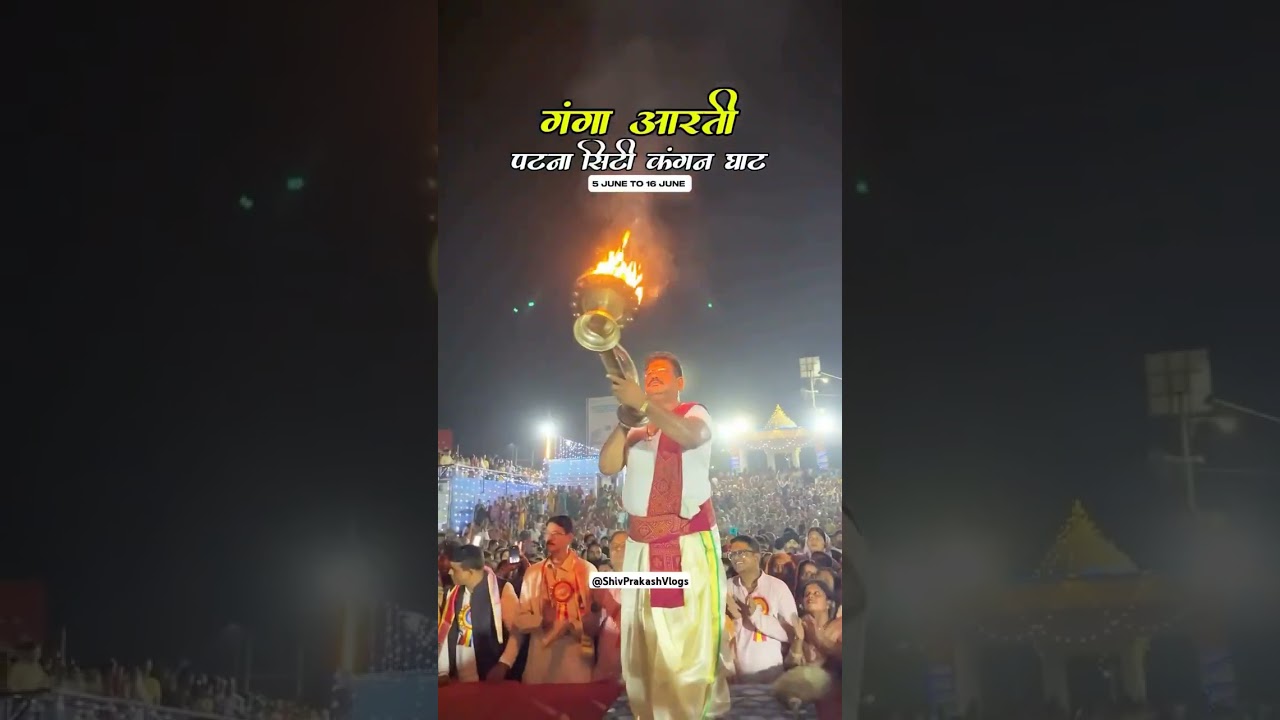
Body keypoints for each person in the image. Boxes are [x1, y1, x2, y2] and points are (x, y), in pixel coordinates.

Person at [600, 351, 731, 719]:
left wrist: (643, 403)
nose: (652, 376)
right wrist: (627, 418)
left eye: (661, 372)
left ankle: (689, 713)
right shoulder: (636, 426)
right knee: (643, 635)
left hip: (685, 542)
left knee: (685, 638)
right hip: (640, 549)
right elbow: (607, 465)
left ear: (679, 382)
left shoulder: (693, 412)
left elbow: (691, 436)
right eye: (648, 374)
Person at [512, 515, 598, 684]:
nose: (550, 538)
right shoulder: (533, 572)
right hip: (540, 666)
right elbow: (520, 620)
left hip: (576, 666)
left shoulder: (587, 570)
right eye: (547, 533)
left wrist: (571, 626)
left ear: (570, 537)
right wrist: (542, 621)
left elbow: (596, 620)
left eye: (556, 533)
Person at [437, 544, 522, 683]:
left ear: (470, 572)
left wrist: (504, 663)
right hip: (458, 678)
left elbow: (517, 632)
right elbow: (446, 633)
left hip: (489, 678)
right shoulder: (453, 593)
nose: (450, 573)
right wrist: (443, 671)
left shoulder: (501, 590)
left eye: (455, 569)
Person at [726, 536, 798, 683]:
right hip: (735, 678)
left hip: (770, 676)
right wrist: (736, 619)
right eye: (732, 554)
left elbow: (791, 633)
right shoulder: (726, 587)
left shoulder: (777, 587)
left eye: (741, 553)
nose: (736, 558)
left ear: (756, 556)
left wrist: (756, 616)